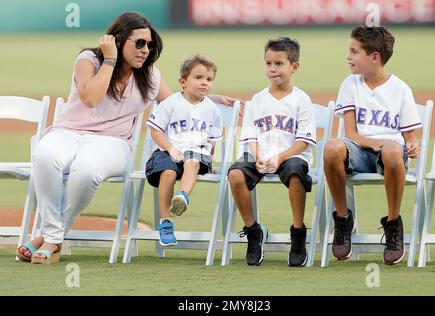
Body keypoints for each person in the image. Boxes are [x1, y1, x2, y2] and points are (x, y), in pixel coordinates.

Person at [16, 12, 234, 264]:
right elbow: (90, 98)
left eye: (149, 45)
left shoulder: (149, 74)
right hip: (68, 131)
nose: (145, 50)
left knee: (86, 171)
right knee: (45, 155)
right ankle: (53, 237)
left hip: (113, 142)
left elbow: (177, 102)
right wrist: (110, 59)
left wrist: (211, 99)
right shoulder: (88, 60)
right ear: (118, 40)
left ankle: (50, 237)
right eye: (139, 43)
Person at [323, 26, 422, 265]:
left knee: (390, 150)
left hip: (391, 154)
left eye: (355, 52)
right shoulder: (350, 84)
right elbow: (351, 133)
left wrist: (413, 146)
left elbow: (409, 136)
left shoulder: (400, 89)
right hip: (359, 149)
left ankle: (393, 223)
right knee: (331, 147)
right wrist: (375, 142)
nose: (349, 56)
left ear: (374, 57)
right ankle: (343, 220)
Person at [227, 37, 316, 267]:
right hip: (260, 154)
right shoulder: (257, 99)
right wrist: (258, 156)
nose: (272, 69)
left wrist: (279, 157)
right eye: (268, 63)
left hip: (290, 155)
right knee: (235, 174)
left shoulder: (301, 100)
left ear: (294, 66)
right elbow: (250, 136)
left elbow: (303, 143)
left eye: (279, 63)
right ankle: (253, 230)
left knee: (296, 172)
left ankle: (298, 232)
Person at [146, 55, 222, 246]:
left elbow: (214, 142)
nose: (205, 83)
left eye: (209, 79)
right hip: (167, 150)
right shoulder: (171, 103)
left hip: (197, 153)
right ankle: (166, 222)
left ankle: (183, 196)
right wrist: (170, 148)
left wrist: (213, 162)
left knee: (193, 161)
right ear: (183, 81)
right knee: (168, 172)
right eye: (199, 78)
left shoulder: (212, 109)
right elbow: (155, 131)